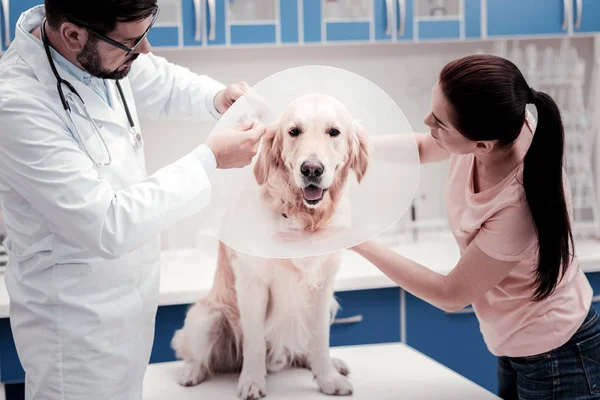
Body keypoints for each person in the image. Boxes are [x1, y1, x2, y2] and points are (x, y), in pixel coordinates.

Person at [0, 1, 266, 399]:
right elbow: (107, 223)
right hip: (75, 332)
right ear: (73, 34)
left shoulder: (98, 52)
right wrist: (210, 159)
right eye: (130, 42)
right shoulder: (17, 104)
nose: (143, 50)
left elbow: (159, 80)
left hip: (129, 310)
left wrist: (217, 97)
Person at [351, 54, 600, 400]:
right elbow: (424, 146)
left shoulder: (517, 206)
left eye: (439, 122)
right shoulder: (499, 124)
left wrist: (356, 241)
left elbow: (450, 294)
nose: (427, 122)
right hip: (517, 344)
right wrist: (351, 147)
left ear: (481, 146)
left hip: (558, 355)